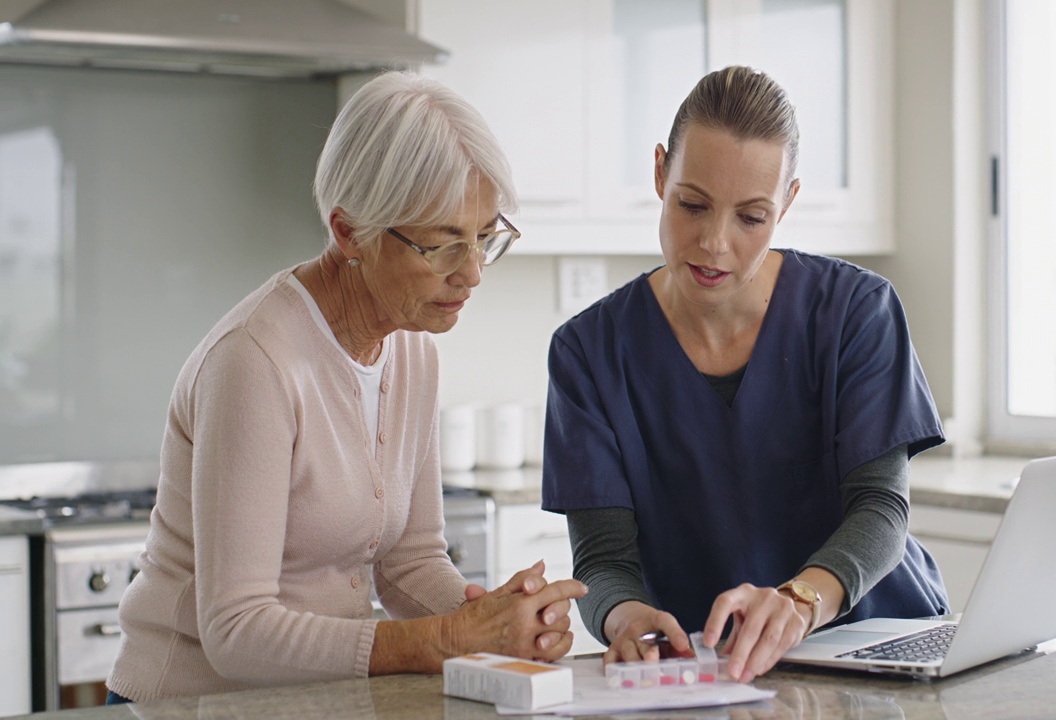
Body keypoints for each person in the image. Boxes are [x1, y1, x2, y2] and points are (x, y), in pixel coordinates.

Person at [107, 71, 586, 704]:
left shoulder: (412, 347)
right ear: (348, 231)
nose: (471, 272)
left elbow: (409, 561)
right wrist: (443, 640)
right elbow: (236, 631)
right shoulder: (256, 362)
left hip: (310, 702)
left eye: (484, 238)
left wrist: (493, 621)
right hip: (185, 705)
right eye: (441, 245)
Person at [541, 66, 948, 684]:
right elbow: (603, 561)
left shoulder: (855, 312)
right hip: (715, 673)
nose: (714, 243)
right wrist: (624, 618)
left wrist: (798, 602)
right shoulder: (589, 352)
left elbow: (881, 508)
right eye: (692, 204)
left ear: (786, 203)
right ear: (659, 174)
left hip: (879, 652)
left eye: (751, 217)